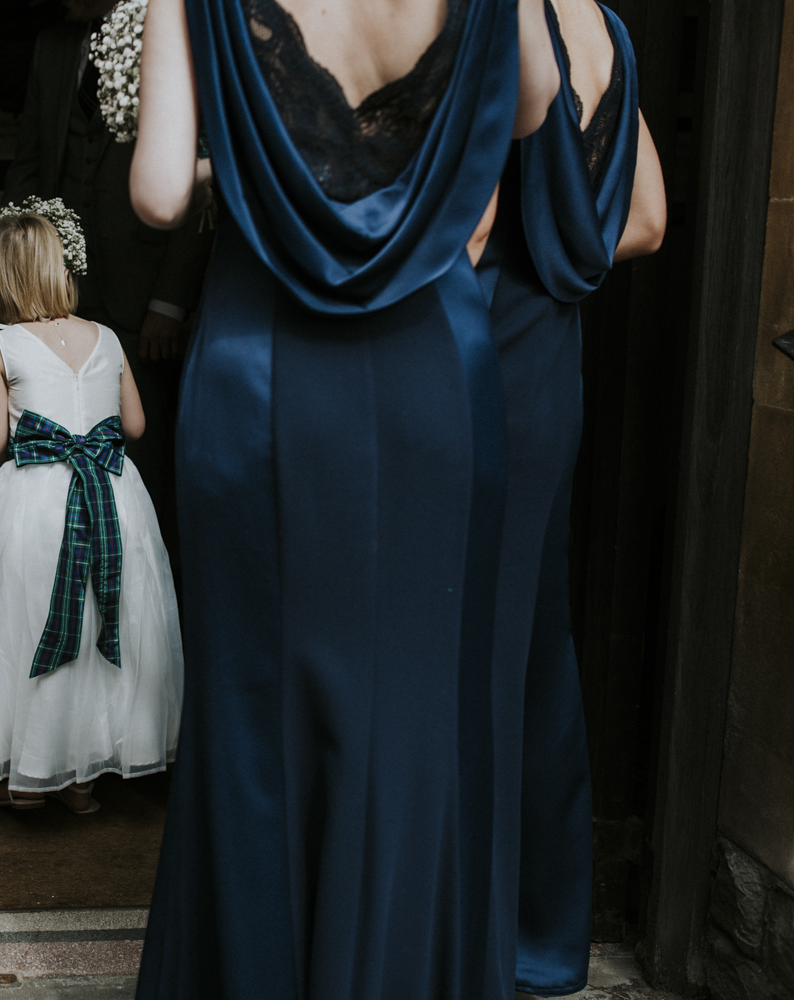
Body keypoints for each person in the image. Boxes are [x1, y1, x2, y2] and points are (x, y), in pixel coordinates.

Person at [128, 0, 564, 996]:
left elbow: (157, 194)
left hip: (260, 372)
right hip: (433, 370)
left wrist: (249, 160)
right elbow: (534, 105)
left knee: (255, 716)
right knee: (420, 711)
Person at [477, 0, 665, 993]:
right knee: (535, 646)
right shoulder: (609, 30)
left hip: (484, 345)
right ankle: (543, 933)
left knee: (476, 651)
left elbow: (464, 223)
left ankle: (477, 934)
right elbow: (649, 220)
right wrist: (567, 260)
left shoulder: (493, 21)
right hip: (557, 358)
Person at [0, 210, 183, 814]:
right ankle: (81, 780)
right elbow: (135, 425)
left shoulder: (3, 343)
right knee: (103, 623)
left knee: (22, 628)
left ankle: (26, 774)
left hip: (35, 504)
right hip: (113, 496)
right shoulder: (109, 337)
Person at [4, 0, 213, 535]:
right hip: (57, 290)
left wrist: (170, 300)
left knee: (145, 463)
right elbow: (29, 164)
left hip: (143, 299)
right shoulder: (53, 47)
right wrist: (16, 274)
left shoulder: (176, 33)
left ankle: (148, 599)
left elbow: (203, 184)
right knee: (53, 466)